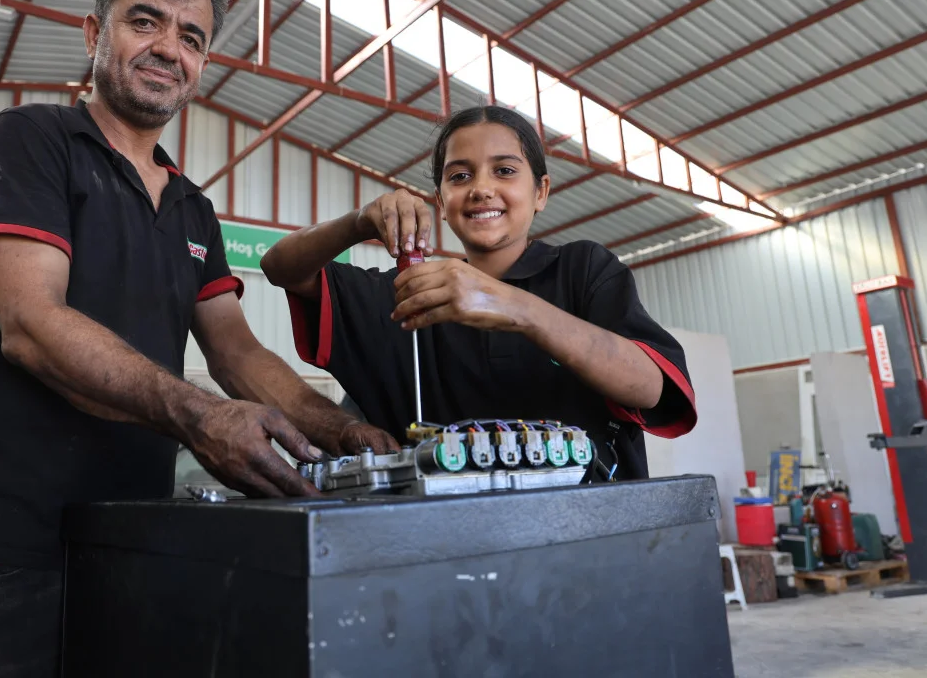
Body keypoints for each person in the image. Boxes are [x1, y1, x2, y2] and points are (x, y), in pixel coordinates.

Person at [0, 0, 396, 678]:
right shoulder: (33, 143)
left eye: (191, 38)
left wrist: (341, 432)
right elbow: (31, 326)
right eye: (145, 22)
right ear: (96, 34)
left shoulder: (194, 210)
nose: (169, 48)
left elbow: (237, 353)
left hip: (133, 530)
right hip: (1, 542)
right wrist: (200, 416)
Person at [260, 105, 697, 480]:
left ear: (540, 191)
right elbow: (280, 266)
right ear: (441, 200)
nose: (481, 188)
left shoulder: (583, 271)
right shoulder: (407, 294)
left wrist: (514, 306)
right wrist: (357, 222)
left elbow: (651, 388)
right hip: (449, 551)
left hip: (592, 541)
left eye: (504, 170)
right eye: (459, 176)